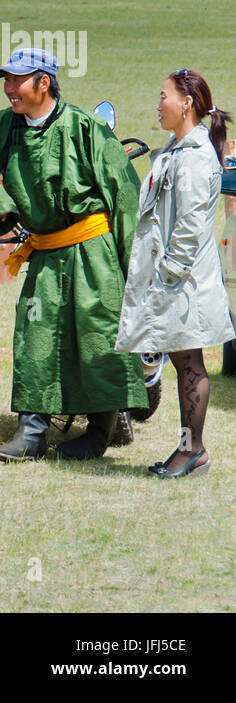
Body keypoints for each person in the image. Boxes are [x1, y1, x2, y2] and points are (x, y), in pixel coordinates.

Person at [0, 48, 147, 462]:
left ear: (43, 82)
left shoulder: (85, 128)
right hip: (46, 252)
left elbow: (123, 195)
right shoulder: (2, 127)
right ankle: (30, 433)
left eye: (17, 80)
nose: (8, 88)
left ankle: (99, 432)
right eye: (6, 80)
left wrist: (134, 268)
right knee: (35, 336)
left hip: (93, 251)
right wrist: (1, 208)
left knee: (97, 337)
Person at [116, 69, 233, 478]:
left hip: (184, 284)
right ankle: (187, 450)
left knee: (189, 364)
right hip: (175, 282)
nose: (157, 103)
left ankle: (193, 451)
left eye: (162, 95)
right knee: (185, 362)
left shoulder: (196, 159)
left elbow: (190, 226)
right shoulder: (177, 149)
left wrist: (167, 275)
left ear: (186, 103)